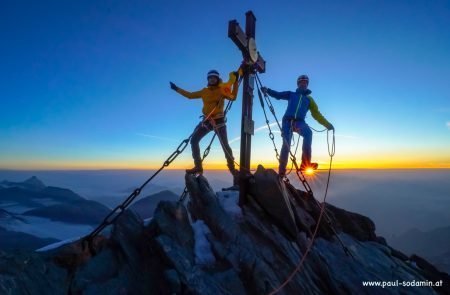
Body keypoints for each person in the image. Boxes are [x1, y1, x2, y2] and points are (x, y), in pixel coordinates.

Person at [170, 69, 241, 185]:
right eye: (210, 78)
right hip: (207, 120)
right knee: (194, 140)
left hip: (219, 120)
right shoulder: (204, 91)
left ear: (217, 79)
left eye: (214, 77)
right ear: (208, 80)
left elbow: (233, 97)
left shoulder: (222, 90)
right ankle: (198, 167)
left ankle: (233, 170)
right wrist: (176, 89)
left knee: (225, 146)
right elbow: (190, 95)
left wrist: (236, 83)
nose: (212, 79)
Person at [261, 74, 334, 177]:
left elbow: (316, 114)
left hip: (299, 122)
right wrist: (267, 90)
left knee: (308, 133)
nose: (303, 84)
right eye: (301, 82)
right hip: (287, 121)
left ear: (307, 84)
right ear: (298, 84)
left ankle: (305, 163)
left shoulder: (309, 100)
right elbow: (278, 95)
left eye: (305, 82)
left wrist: (327, 125)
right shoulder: (291, 94)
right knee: (286, 145)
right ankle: (282, 172)